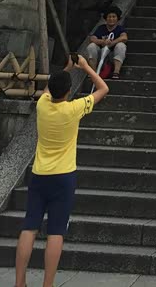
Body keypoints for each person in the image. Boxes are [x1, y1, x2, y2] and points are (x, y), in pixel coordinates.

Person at [15, 54, 109, 287]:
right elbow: (103, 88)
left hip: (39, 174)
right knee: (56, 231)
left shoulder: (42, 105)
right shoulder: (73, 109)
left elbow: (49, 89)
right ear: (68, 92)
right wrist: (85, 67)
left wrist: (66, 68)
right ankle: (48, 284)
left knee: (29, 226)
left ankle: (19, 282)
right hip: (64, 176)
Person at [86, 4, 128, 79]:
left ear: (117, 18)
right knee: (91, 46)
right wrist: (103, 42)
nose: (111, 19)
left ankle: (116, 72)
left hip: (113, 56)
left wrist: (111, 43)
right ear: (106, 18)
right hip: (101, 55)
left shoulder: (120, 28)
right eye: (109, 17)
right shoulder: (101, 28)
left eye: (114, 17)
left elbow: (124, 37)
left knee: (121, 46)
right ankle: (93, 72)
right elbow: (92, 39)